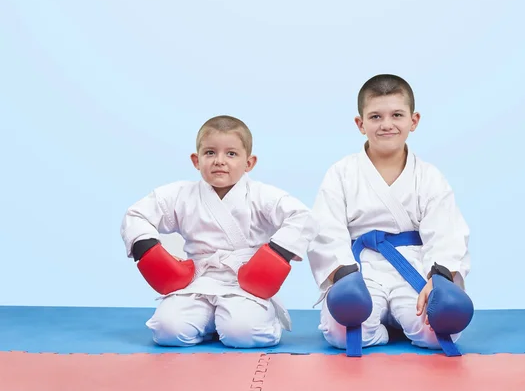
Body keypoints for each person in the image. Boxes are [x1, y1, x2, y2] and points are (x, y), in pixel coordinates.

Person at [307, 74, 473, 357]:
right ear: (360, 124)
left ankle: (399, 318)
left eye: (397, 115)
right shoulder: (342, 173)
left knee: (440, 332)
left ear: (414, 120)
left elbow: (446, 231)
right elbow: (325, 228)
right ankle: (383, 328)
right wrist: (344, 274)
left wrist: (440, 277)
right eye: (375, 117)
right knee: (340, 332)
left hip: (413, 266)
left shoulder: (429, 177)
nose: (386, 124)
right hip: (361, 269)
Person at [120, 115, 316, 349]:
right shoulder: (181, 195)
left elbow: (303, 217)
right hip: (196, 280)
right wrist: (148, 249)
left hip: (246, 283)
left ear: (249, 163)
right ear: (196, 160)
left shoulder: (262, 195)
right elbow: (136, 215)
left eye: (231, 154)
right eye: (210, 153)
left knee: (242, 333)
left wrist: (276, 254)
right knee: (167, 330)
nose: (219, 161)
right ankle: (209, 323)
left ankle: (261, 318)